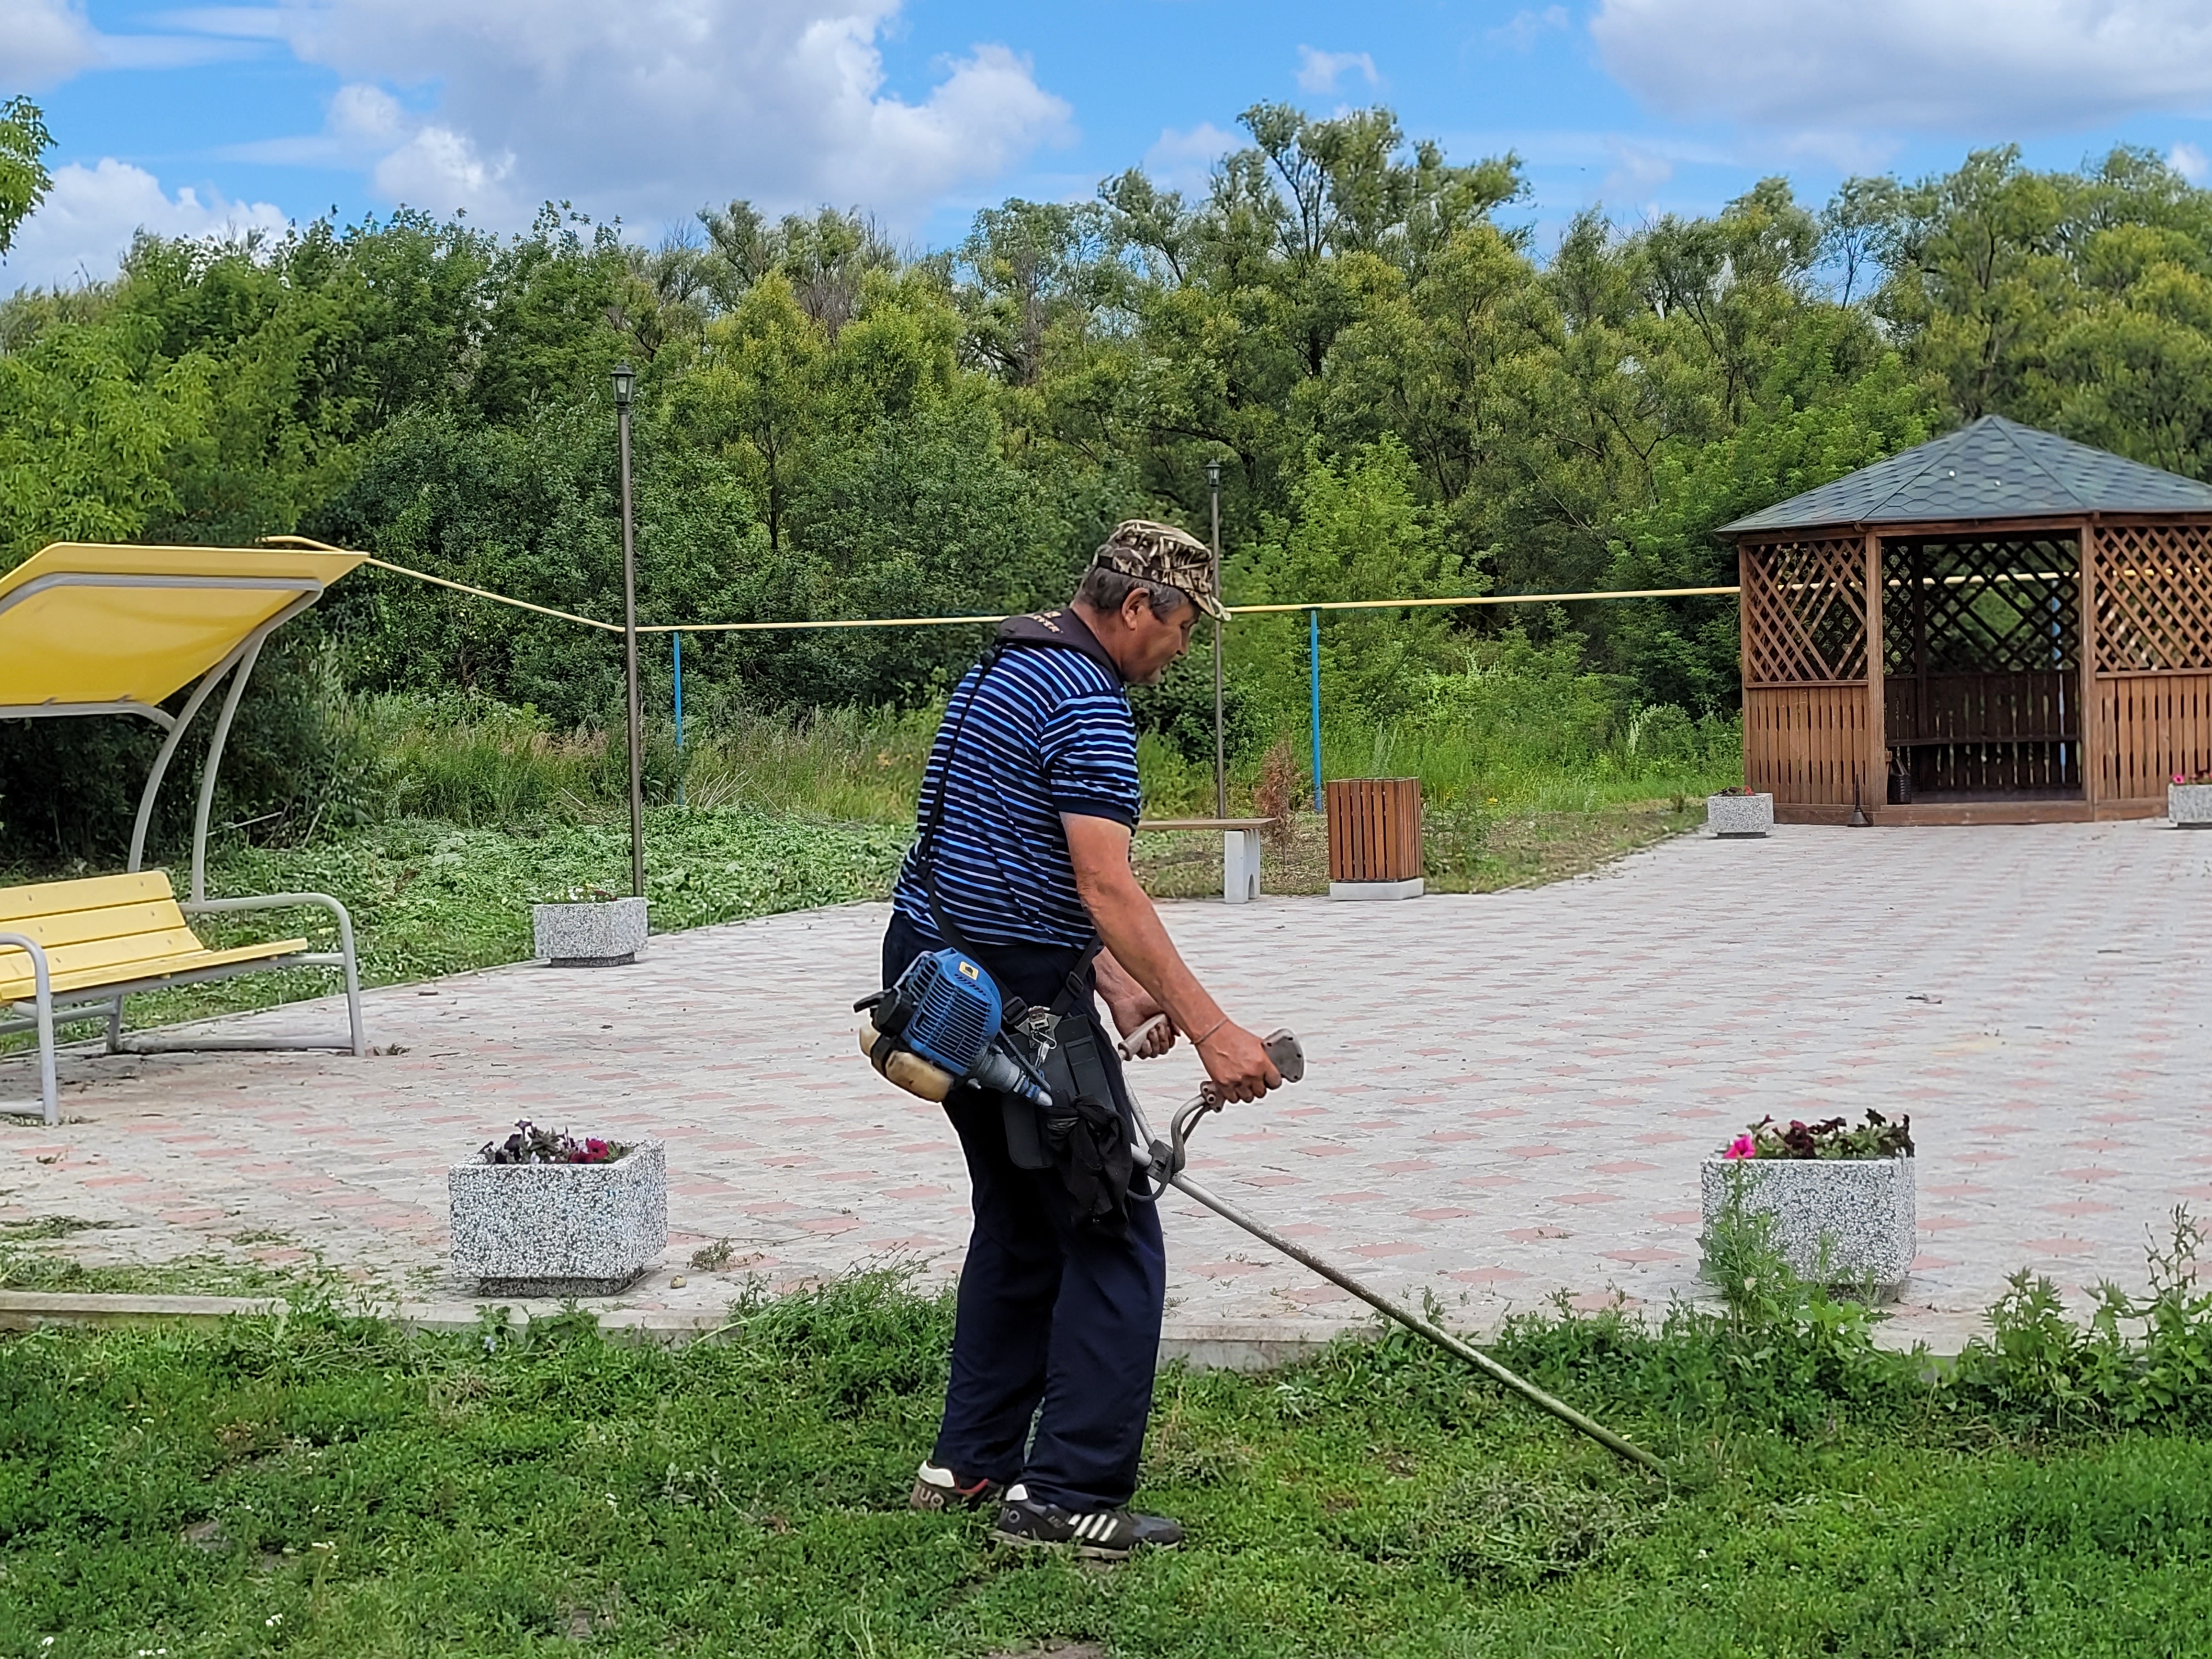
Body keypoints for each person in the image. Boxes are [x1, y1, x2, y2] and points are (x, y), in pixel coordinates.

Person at [884, 519, 1282, 1559]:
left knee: (1022, 1225)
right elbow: (1105, 883)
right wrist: (1213, 1029)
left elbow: (995, 850)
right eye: (1186, 626)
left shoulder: (1005, 667)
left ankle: (968, 1465)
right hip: (1013, 1000)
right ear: (1140, 607)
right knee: (1112, 1231)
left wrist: (1105, 976)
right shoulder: (1090, 704)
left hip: (933, 975)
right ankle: (1066, 1494)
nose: (1184, 650)